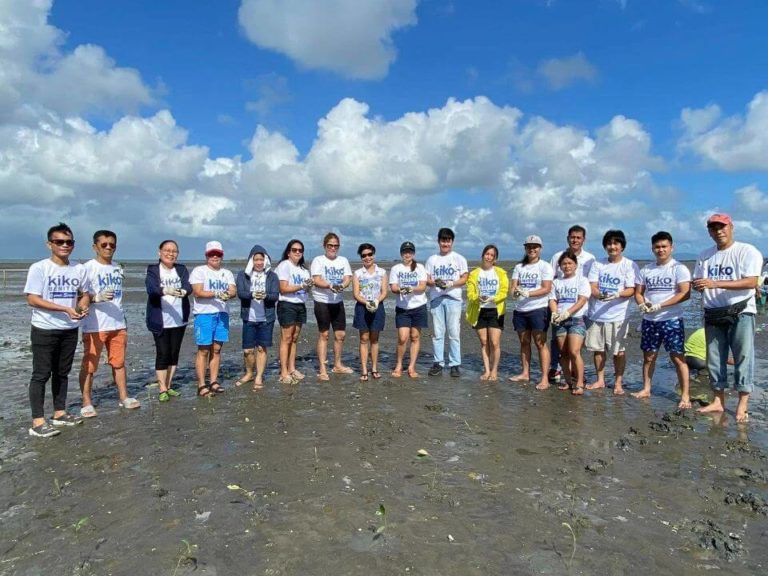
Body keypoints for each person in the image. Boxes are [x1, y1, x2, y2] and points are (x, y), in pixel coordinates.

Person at [693, 213, 763, 423]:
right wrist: (699, 285)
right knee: (715, 359)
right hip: (713, 313)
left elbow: (751, 281)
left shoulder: (747, 251)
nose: (718, 231)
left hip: (740, 311)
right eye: (714, 228)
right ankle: (718, 400)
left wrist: (716, 283)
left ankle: (742, 405)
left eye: (722, 227)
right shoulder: (704, 255)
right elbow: (698, 282)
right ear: (709, 232)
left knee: (743, 357)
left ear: (731, 227)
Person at [24, 222, 88, 437]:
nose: (65, 245)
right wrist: (63, 308)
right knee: (41, 374)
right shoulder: (40, 268)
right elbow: (32, 299)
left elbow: (84, 293)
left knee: (62, 372)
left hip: (69, 328)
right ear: (49, 244)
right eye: (59, 242)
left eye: (69, 242)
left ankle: (59, 413)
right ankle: (38, 421)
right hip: (44, 327)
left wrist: (82, 306)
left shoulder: (79, 268)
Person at [79, 230, 140, 416]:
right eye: (104, 244)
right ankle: (86, 402)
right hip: (95, 326)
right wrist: (95, 297)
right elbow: (79, 295)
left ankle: (124, 397)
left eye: (112, 245)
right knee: (90, 365)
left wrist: (123, 321)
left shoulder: (117, 268)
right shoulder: (87, 268)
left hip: (118, 323)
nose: (108, 248)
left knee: (119, 363)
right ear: (95, 247)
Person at [631, 231, 692, 409]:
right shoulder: (646, 269)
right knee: (649, 357)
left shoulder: (679, 268)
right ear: (652, 249)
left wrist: (661, 305)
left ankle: (685, 395)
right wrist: (642, 304)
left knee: (678, 357)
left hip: (671, 319)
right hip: (650, 320)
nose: (661, 250)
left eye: (664, 246)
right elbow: (638, 292)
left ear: (671, 247)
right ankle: (646, 388)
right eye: (657, 247)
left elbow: (685, 293)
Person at [585, 229, 639, 395]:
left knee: (618, 351)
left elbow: (631, 289)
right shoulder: (598, 264)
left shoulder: (629, 265)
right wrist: (599, 295)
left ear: (622, 246)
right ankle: (600, 380)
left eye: (616, 243)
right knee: (598, 349)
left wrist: (617, 294)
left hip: (618, 316)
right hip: (597, 314)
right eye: (609, 243)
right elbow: (592, 286)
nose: (612, 246)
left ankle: (618, 383)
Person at [145, 239, 192, 402]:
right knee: (163, 352)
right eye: (167, 250)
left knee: (174, 353)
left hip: (179, 318)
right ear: (160, 252)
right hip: (160, 319)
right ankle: (162, 388)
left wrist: (184, 291)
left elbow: (189, 286)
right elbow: (151, 289)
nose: (170, 253)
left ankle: (169, 385)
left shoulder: (181, 269)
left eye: (174, 251)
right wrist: (166, 290)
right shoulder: (153, 270)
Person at [548, 225, 596, 383]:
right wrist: (555, 312)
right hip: (560, 308)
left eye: (578, 237)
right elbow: (552, 281)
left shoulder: (590, 259)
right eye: (572, 237)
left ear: (583, 239)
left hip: (581, 311)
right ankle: (560, 371)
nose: (575, 240)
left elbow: (590, 284)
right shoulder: (557, 257)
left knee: (576, 346)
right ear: (567, 238)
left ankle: (578, 375)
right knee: (560, 345)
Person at [190, 241, 236, 397]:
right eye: (212, 254)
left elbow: (233, 290)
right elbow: (197, 291)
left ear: (222, 255)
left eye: (218, 254)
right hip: (204, 314)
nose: (215, 256)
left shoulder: (227, 273)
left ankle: (214, 381)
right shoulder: (199, 271)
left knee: (217, 349)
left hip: (222, 313)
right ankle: (202, 384)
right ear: (206, 255)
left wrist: (227, 294)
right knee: (203, 349)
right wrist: (217, 293)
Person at [509, 235, 554, 389]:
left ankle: (544, 378)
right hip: (521, 310)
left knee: (540, 343)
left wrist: (529, 293)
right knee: (524, 342)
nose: (532, 249)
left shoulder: (545, 266)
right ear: (525, 248)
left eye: (535, 246)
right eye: (529, 246)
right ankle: (525, 373)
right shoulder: (519, 267)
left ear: (540, 248)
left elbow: (547, 288)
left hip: (538, 309)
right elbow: (513, 287)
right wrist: (515, 292)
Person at [426, 228, 469, 377]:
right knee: (438, 333)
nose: (445, 243)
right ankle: (438, 363)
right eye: (443, 240)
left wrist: (450, 284)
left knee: (454, 332)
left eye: (448, 240)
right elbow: (427, 279)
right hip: (436, 298)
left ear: (452, 242)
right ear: (438, 241)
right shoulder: (432, 259)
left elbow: (464, 278)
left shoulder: (459, 258)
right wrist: (435, 283)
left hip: (454, 299)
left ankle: (455, 364)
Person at [235, 244, 279, 390]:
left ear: (266, 260)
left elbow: (275, 295)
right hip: (249, 317)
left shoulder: (272, 276)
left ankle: (259, 375)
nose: (259, 262)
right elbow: (240, 293)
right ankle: (249, 373)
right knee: (247, 350)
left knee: (261, 348)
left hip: (266, 317)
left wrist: (265, 296)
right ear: (251, 261)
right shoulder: (243, 275)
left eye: (261, 259)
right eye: (256, 260)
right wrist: (252, 294)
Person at [311, 233, 353, 380]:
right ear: (325, 246)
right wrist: (329, 285)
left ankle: (337, 365)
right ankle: (323, 368)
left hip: (338, 301)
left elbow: (348, 278)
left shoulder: (343, 260)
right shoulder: (318, 260)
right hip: (322, 300)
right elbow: (316, 279)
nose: (333, 248)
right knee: (324, 334)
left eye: (335, 245)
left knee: (340, 335)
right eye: (330, 245)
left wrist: (342, 285)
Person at [465, 244, 509, 381]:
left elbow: (504, 290)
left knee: (494, 342)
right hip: (479, 310)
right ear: (483, 255)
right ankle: (487, 370)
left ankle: (494, 371)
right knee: (484, 342)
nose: (489, 257)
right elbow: (470, 293)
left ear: (495, 259)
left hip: (496, 310)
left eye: (492, 255)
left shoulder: (501, 273)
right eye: (487, 254)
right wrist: (477, 298)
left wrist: (493, 298)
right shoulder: (474, 273)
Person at [275, 239, 312, 385]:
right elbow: (283, 288)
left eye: (300, 250)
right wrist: (301, 285)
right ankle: (283, 371)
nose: (297, 252)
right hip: (287, 304)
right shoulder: (284, 265)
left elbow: (305, 288)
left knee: (295, 338)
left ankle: (292, 368)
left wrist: (308, 286)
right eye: (294, 250)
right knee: (286, 338)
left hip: (300, 304)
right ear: (288, 252)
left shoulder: (303, 270)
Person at [390, 242, 429, 378]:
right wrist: (402, 289)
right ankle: (399, 364)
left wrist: (410, 289)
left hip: (419, 306)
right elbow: (393, 287)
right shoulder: (396, 268)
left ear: (413, 253)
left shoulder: (419, 267)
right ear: (401, 254)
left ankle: (412, 366)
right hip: (403, 308)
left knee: (415, 336)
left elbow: (423, 286)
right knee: (402, 337)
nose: (407, 254)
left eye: (410, 252)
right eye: (405, 252)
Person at [352, 243, 388, 381]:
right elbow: (355, 294)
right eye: (364, 256)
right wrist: (366, 302)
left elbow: (384, 291)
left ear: (374, 255)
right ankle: (364, 370)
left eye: (369, 255)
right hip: (362, 307)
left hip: (378, 306)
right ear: (361, 258)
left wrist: (376, 301)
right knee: (363, 339)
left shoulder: (382, 272)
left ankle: (374, 368)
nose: (367, 258)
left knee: (374, 339)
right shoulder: (357, 273)